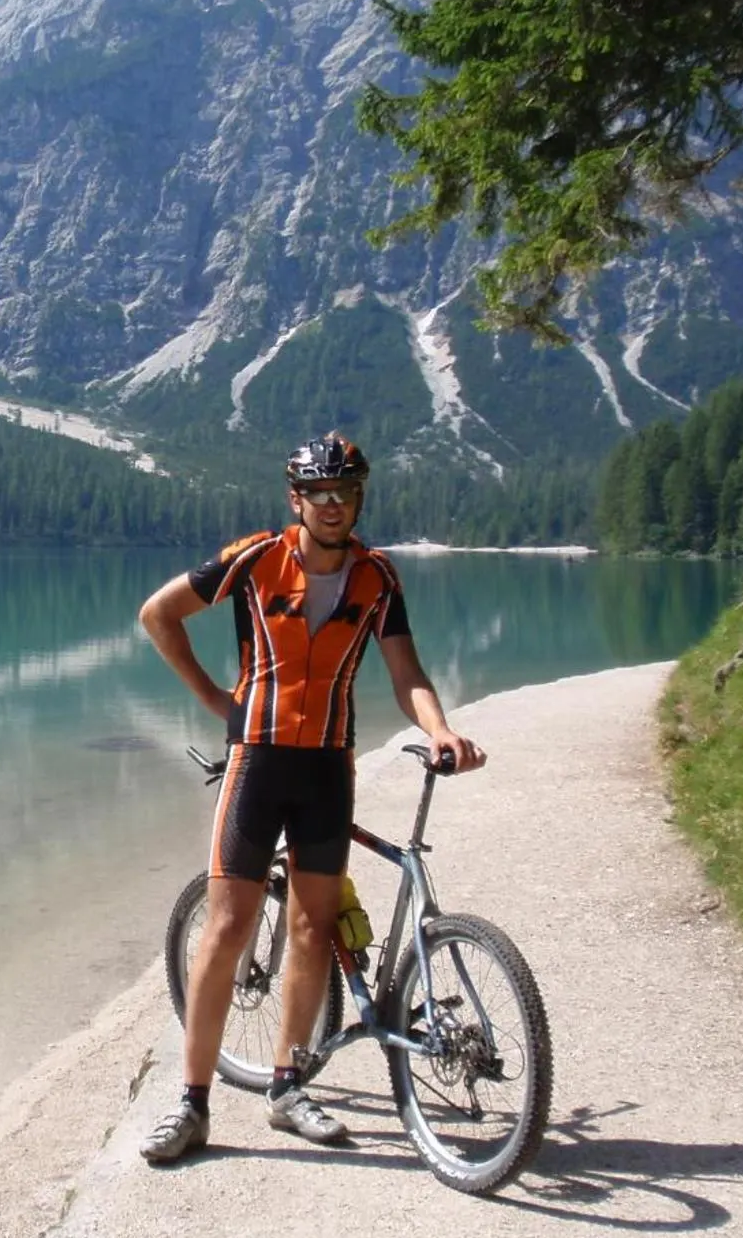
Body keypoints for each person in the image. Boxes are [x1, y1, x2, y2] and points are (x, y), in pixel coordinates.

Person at [134, 432, 484, 1163]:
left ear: (359, 498)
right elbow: (157, 615)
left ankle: (289, 1088)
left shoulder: (378, 577)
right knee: (228, 929)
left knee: (310, 932)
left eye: (346, 492)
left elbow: (406, 672)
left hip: (328, 764)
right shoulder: (256, 559)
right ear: (297, 499)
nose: (334, 505)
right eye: (320, 493)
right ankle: (192, 1105)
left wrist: (442, 728)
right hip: (257, 763)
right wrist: (217, 703)